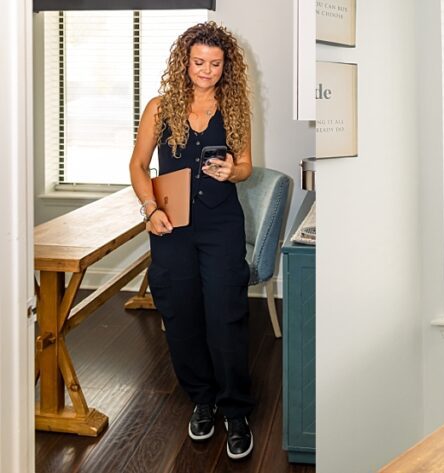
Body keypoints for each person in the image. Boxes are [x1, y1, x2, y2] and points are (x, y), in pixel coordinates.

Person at [128, 21, 255, 460]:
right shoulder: (160, 108)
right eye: (199, 62)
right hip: (171, 225)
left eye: (215, 64)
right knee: (180, 316)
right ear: (185, 61)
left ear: (226, 67)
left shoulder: (234, 106)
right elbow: (138, 166)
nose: (206, 70)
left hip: (222, 226)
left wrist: (231, 170)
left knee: (225, 315)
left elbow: (247, 167)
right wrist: (150, 209)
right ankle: (202, 400)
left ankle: (235, 410)